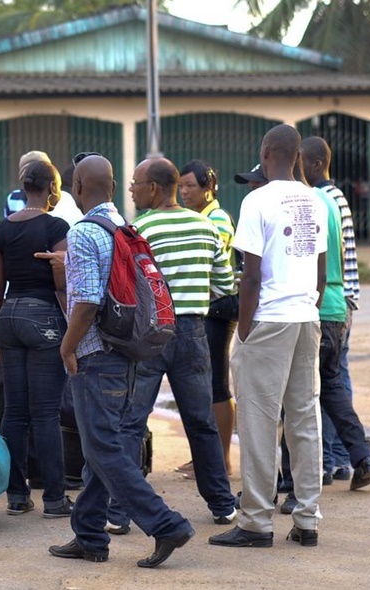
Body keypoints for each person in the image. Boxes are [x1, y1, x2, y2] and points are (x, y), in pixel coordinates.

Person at [47, 154, 194, 568]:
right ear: (112, 187)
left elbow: (86, 302)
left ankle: (167, 524)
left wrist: (67, 347)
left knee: (103, 449)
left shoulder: (83, 233)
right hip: (125, 352)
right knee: (102, 447)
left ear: (77, 187)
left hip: (95, 356)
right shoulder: (124, 227)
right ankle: (90, 536)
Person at [209, 124, 328, 549]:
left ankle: (257, 521)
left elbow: (251, 275)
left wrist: (244, 329)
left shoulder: (257, 200)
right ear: (297, 156)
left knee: (259, 421)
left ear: (265, 152)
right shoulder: (315, 200)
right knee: (305, 419)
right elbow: (321, 271)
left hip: (269, 320)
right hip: (305, 318)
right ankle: (307, 519)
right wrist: (309, 307)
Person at [112, 157, 237, 529]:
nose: (131, 190)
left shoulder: (139, 229)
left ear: (153, 188)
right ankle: (222, 505)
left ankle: (118, 513)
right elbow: (225, 284)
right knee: (201, 422)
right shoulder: (205, 226)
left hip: (150, 334)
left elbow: (127, 284)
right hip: (193, 333)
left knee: (132, 422)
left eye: (135, 183)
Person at [0, 160, 72, 518]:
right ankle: (55, 499)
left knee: (15, 411)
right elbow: (62, 284)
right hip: (44, 317)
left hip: (9, 317)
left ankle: (17, 497)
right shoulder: (56, 226)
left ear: (24, 188)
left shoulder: (0, 230)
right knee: (46, 413)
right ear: (52, 188)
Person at [301, 136, 363, 483]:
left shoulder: (322, 200)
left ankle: (329, 459)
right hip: (343, 301)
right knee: (335, 380)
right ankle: (341, 458)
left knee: (324, 384)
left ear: (314, 164)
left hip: (332, 302)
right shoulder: (336, 197)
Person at [177, 159, 238, 477]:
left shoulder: (218, 219)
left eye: (190, 186)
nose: (184, 192)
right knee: (201, 385)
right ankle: (204, 457)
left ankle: (223, 459)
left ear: (209, 187)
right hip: (203, 308)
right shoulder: (197, 217)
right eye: (181, 186)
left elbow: (211, 262)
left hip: (218, 309)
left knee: (216, 385)